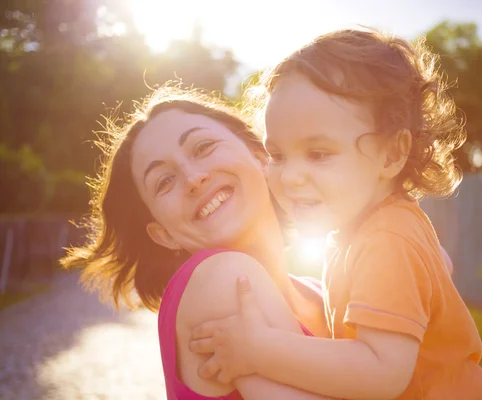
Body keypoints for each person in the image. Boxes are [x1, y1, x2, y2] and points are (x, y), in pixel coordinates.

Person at [189, 28, 482, 399]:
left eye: (318, 154)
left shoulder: (387, 238)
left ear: (392, 154)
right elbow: (435, 268)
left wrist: (258, 349)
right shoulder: (368, 231)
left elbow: (380, 372)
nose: (290, 176)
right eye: (279, 156)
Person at [60, 85, 333, 400]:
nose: (193, 178)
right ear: (164, 234)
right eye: (164, 181)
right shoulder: (223, 278)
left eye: (203, 147)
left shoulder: (322, 291)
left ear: (260, 156)